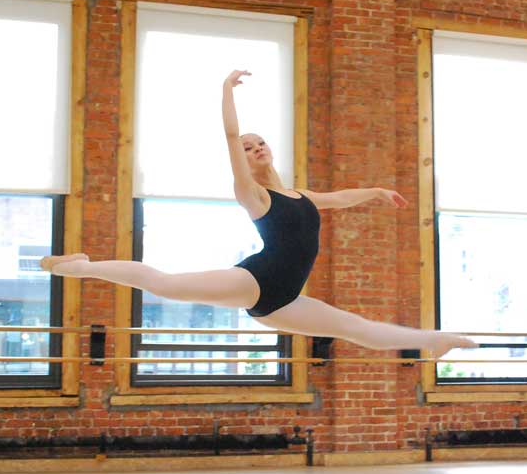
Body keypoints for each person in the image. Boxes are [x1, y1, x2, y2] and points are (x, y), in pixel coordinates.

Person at [40, 70, 478, 359]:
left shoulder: (297, 193)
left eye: (260, 143)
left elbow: (339, 199)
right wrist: (226, 91)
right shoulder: (251, 194)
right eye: (248, 148)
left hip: (282, 301)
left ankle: (433, 342)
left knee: (356, 329)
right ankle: (81, 267)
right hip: (257, 279)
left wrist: (377, 192)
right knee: (166, 284)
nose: (255, 148)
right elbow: (231, 134)